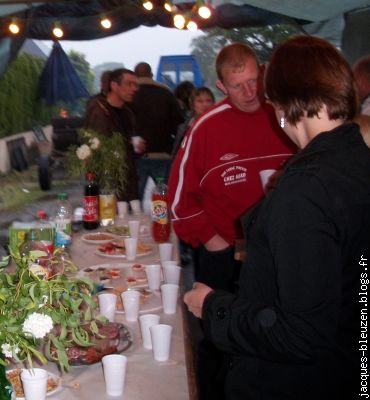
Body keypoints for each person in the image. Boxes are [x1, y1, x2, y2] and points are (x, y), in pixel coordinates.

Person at [184, 35, 370, 400]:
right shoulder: (358, 161)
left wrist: (214, 307)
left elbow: (300, 333)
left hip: (303, 382)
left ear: (283, 103)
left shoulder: (306, 190)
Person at [168, 43, 296, 400]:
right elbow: (179, 199)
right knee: (216, 343)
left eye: (255, 81)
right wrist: (210, 238)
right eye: (238, 85)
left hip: (277, 253)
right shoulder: (206, 128)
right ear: (221, 86)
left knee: (270, 337)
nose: (250, 92)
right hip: (223, 253)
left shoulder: (284, 116)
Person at [84, 68, 142, 201]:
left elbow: (128, 146)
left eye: (135, 85)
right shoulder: (99, 112)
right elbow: (96, 150)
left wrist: (136, 147)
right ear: (114, 86)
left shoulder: (128, 113)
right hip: (107, 183)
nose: (134, 89)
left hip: (128, 180)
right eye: (129, 84)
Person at [129, 62, 184, 199]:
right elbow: (179, 124)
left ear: (134, 75)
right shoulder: (165, 93)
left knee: (135, 199)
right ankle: (163, 220)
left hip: (136, 156)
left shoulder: (130, 95)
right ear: (152, 75)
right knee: (165, 199)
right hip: (162, 154)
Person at [172, 86, 215, 159]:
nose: (205, 104)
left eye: (208, 101)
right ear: (192, 104)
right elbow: (176, 154)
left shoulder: (219, 126)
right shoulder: (183, 128)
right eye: (199, 101)